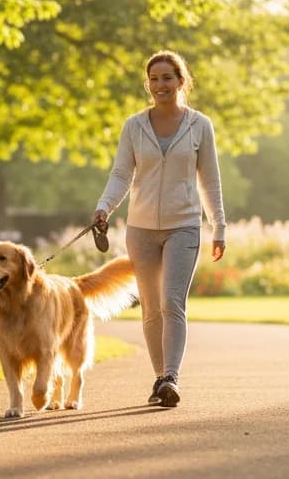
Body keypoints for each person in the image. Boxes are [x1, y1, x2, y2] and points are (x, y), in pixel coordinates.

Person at [93, 50, 226, 409]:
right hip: (141, 229)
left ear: (181, 82)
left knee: (171, 302)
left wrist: (218, 226)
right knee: (150, 308)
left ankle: (171, 375)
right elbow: (122, 174)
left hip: (183, 226)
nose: (160, 85)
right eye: (154, 79)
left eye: (167, 78)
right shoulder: (134, 126)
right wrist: (105, 206)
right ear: (147, 84)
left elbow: (209, 179)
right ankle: (160, 380)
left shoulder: (200, 125)